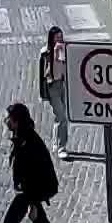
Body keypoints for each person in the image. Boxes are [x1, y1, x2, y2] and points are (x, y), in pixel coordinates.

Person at [39, 26, 70, 158]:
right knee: (62, 117)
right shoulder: (45, 52)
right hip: (52, 87)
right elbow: (41, 74)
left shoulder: (66, 50)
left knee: (60, 117)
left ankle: (56, 144)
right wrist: (43, 94)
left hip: (64, 85)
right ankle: (61, 148)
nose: (59, 40)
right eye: (57, 37)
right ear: (51, 38)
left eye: (61, 37)